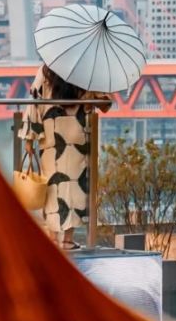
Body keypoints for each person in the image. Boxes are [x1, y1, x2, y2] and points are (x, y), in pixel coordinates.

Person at [19, 64, 111, 249]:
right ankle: (68, 240)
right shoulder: (87, 69)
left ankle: (53, 238)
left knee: (53, 186)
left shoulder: (46, 70)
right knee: (76, 187)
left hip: (53, 136)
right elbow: (105, 103)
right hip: (78, 135)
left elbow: (34, 102)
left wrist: (29, 138)